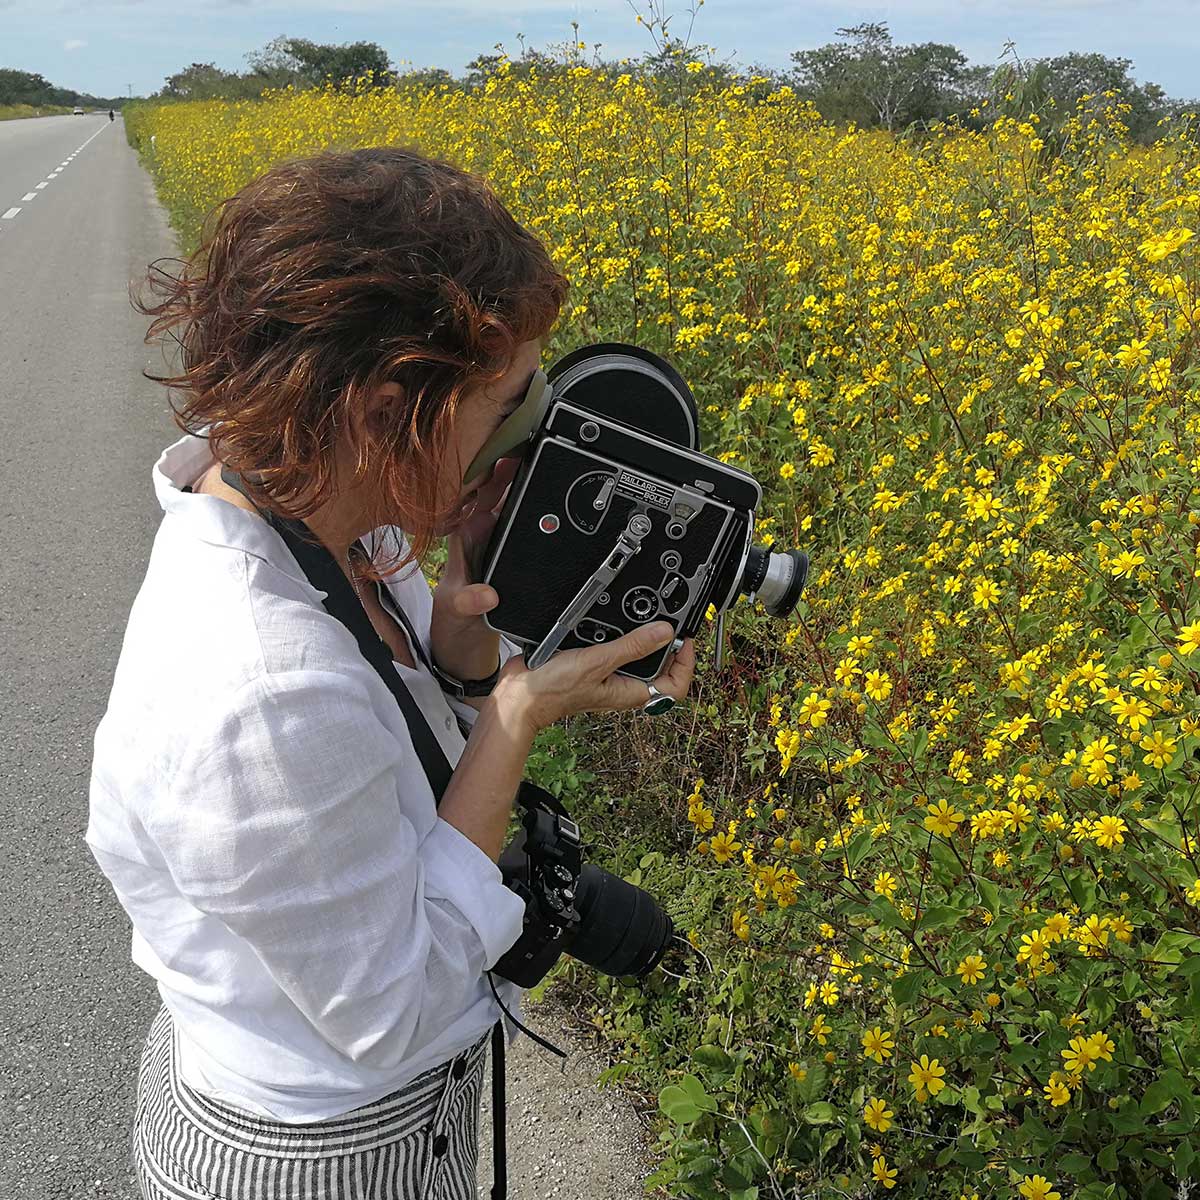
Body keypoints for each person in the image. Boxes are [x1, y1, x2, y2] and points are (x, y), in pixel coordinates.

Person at [86, 146, 695, 1200]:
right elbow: (392, 1008)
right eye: (506, 402)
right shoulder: (261, 696)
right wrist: (514, 723)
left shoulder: (310, 508)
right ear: (381, 412)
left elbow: (393, 758)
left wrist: (464, 650)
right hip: (328, 1154)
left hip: (370, 1109)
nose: (526, 438)